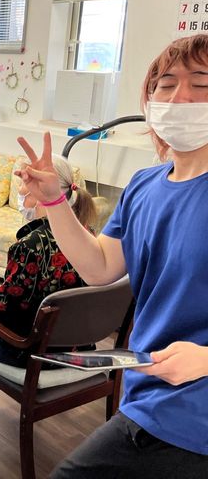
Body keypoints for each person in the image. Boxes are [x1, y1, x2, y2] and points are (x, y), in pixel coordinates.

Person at [17, 35, 208, 477]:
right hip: (145, 396)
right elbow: (99, 265)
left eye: (201, 83)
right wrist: (53, 202)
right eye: (166, 84)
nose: (180, 96)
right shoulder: (144, 185)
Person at [0, 155, 96, 411]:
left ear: (39, 192)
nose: (20, 192)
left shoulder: (30, 246)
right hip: (76, 348)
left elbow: (6, 316)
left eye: (23, 185)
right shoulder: (88, 237)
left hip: (30, 354)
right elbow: (57, 288)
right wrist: (3, 290)